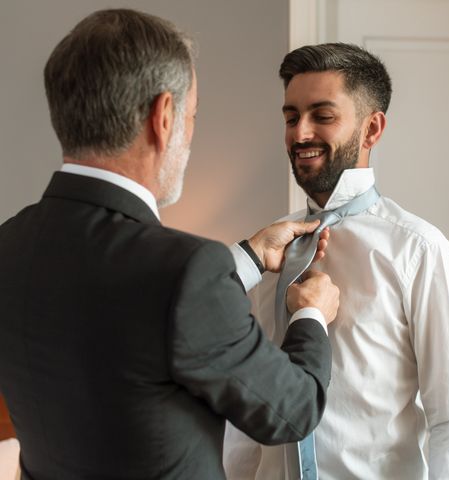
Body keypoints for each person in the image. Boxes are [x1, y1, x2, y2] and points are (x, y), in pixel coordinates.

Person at [0, 10, 341, 479]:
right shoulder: (185, 271)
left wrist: (247, 257)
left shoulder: (11, 243)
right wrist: (311, 314)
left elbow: (132, 316)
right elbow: (291, 411)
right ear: (163, 117)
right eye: (192, 116)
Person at [223, 43, 449, 479]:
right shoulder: (269, 250)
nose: (300, 133)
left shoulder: (418, 250)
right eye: (291, 117)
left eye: (322, 116)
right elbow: (248, 400)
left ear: (372, 129)